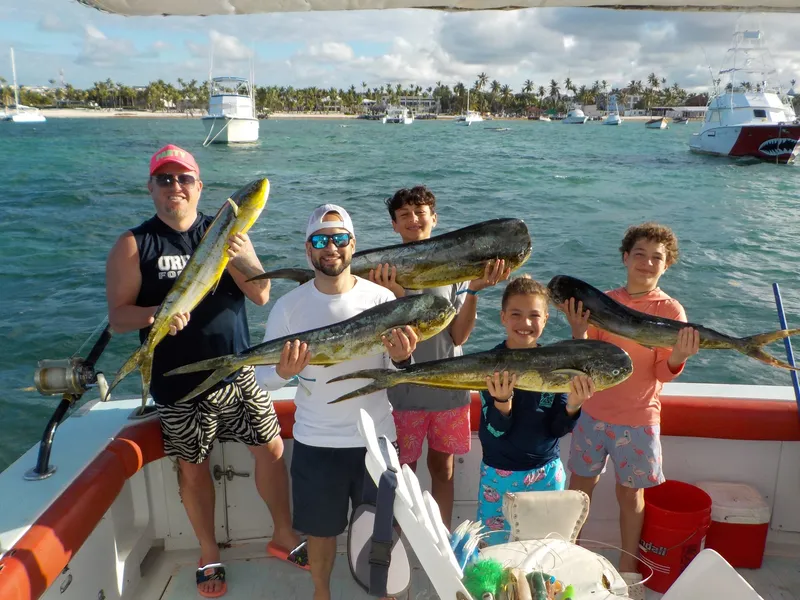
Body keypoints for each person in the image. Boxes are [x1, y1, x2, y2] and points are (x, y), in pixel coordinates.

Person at [105, 144, 303, 598]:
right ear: (151, 188)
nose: (176, 186)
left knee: (271, 450)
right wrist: (156, 315)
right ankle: (209, 550)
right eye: (165, 179)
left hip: (237, 372)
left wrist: (241, 255)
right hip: (179, 382)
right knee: (193, 470)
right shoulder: (135, 244)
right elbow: (119, 317)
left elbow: (261, 294)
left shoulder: (227, 230)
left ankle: (284, 536)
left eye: (184, 179)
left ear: (200, 187)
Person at [255, 204, 418, 600]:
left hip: (376, 442)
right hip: (317, 442)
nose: (331, 247)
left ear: (353, 245)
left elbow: (394, 373)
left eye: (340, 238)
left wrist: (402, 358)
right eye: (321, 239)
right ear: (308, 250)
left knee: (383, 532)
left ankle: (385, 593)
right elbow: (263, 378)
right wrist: (286, 370)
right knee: (320, 532)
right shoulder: (288, 307)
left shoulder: (382, 299)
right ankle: (321, 593)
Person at [561, 222, 699, 595]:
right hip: (594, 413)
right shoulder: (603, 300)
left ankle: (627, 565)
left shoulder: (671, 309)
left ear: (666, 265)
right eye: (640, 254)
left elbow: (661, 373)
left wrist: (679, 356)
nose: (647, 262)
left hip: (639, 420)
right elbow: (587, 358)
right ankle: (568, 553)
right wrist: (578, 331)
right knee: (580, 489)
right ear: (625, 257)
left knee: (630, 495)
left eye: (657, 257)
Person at [369, 185, 509, 529]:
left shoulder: (455, 270)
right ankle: (400, 534)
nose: (413, 220)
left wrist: (473, 290)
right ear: (394, 226)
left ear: (435, 218)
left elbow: (458, 336)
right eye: (404, 216)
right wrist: (397, 294)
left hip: (449, 389)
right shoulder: (381, 273)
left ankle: (441, 536)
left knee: (442, 469)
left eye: (420, 213)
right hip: (402, 393)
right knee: (401, 471)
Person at [477, 277, 595, 544]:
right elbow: (495, 430)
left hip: (546, 475)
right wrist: (502, 403)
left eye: (534, 315)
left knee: (543, 551)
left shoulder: (556, 364)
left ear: (545, 319)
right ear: (503, 317)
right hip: (498, 476)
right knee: (493, 551)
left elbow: (557, 428)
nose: (526, 323)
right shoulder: (489, 364)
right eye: (516, 314)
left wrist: (574, 405)